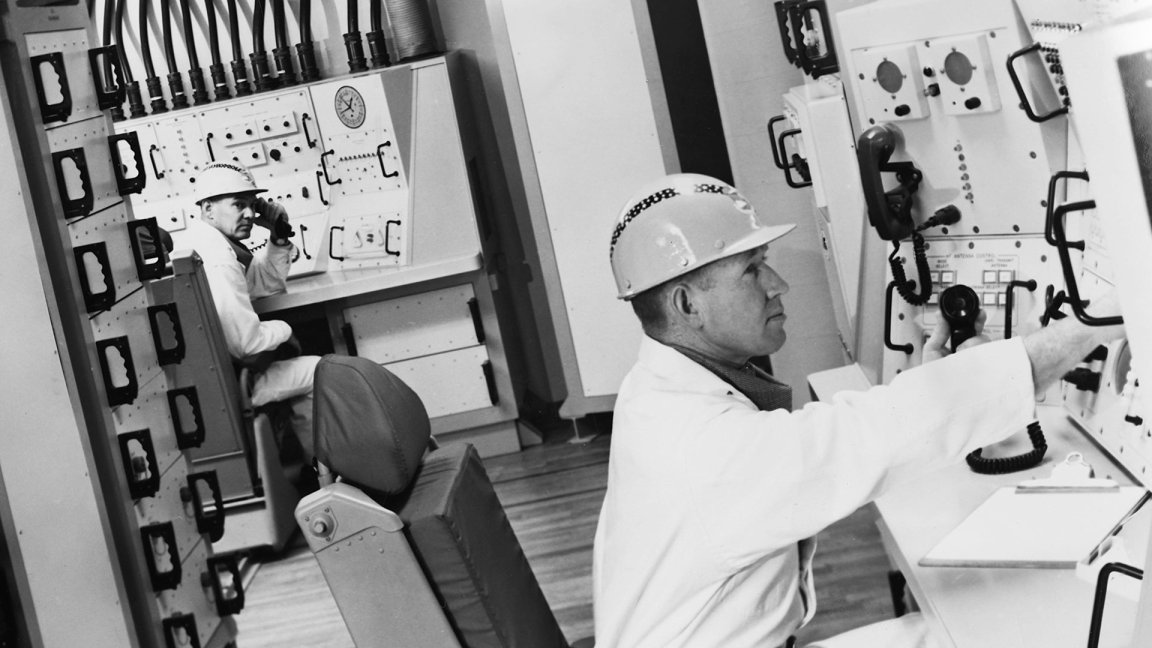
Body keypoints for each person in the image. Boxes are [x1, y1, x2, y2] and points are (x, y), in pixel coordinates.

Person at [593, 173, 1125, 648]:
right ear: (687, 305)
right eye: (752, 271)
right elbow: (858, 440)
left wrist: (945, 382)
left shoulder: (655, 391)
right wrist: (1098, 321)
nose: (778, 284)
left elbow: (844, 440)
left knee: (967, 630)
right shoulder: (698, 446)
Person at [182, 161, 320, 464]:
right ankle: (324, 472)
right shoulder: (218, 258)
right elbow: (245, 344)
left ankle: (314, 469)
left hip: (226, 373)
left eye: (252, 205)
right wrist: (285, 331)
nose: (250, 214)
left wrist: (278, 236)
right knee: (319, 373)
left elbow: (264, 287)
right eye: (238, 205)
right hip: (231, 383)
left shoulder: (214, 243)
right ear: (208, 208)